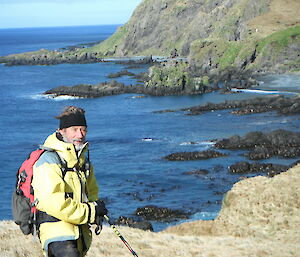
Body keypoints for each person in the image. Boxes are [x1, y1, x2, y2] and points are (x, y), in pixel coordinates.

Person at [32, 106, 108, 257]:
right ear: (62, 131)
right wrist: (91, 212)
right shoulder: (49, 161)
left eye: (83, 129)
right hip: (56, 233)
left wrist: (97, 208)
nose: (80, 134)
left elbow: (92, 192)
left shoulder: (82, 162)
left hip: (78, 232)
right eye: (74, 129)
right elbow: (55, 204)